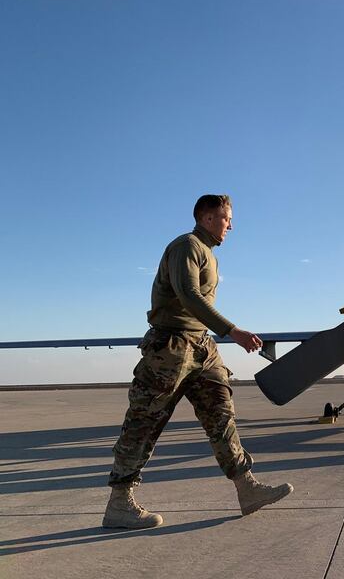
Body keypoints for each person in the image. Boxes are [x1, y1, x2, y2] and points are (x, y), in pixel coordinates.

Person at [102, 194, 292, 529]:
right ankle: (120, 503)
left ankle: (246, 489)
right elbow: (189, 294)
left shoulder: (209, 254)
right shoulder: (186, 246)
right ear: (206, 217)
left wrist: (215, 335)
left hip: (202, 346)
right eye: (225, 218)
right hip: (170, 347)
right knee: (144, 422)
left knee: (221, 414)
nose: (230, 225)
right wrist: (232, 330)